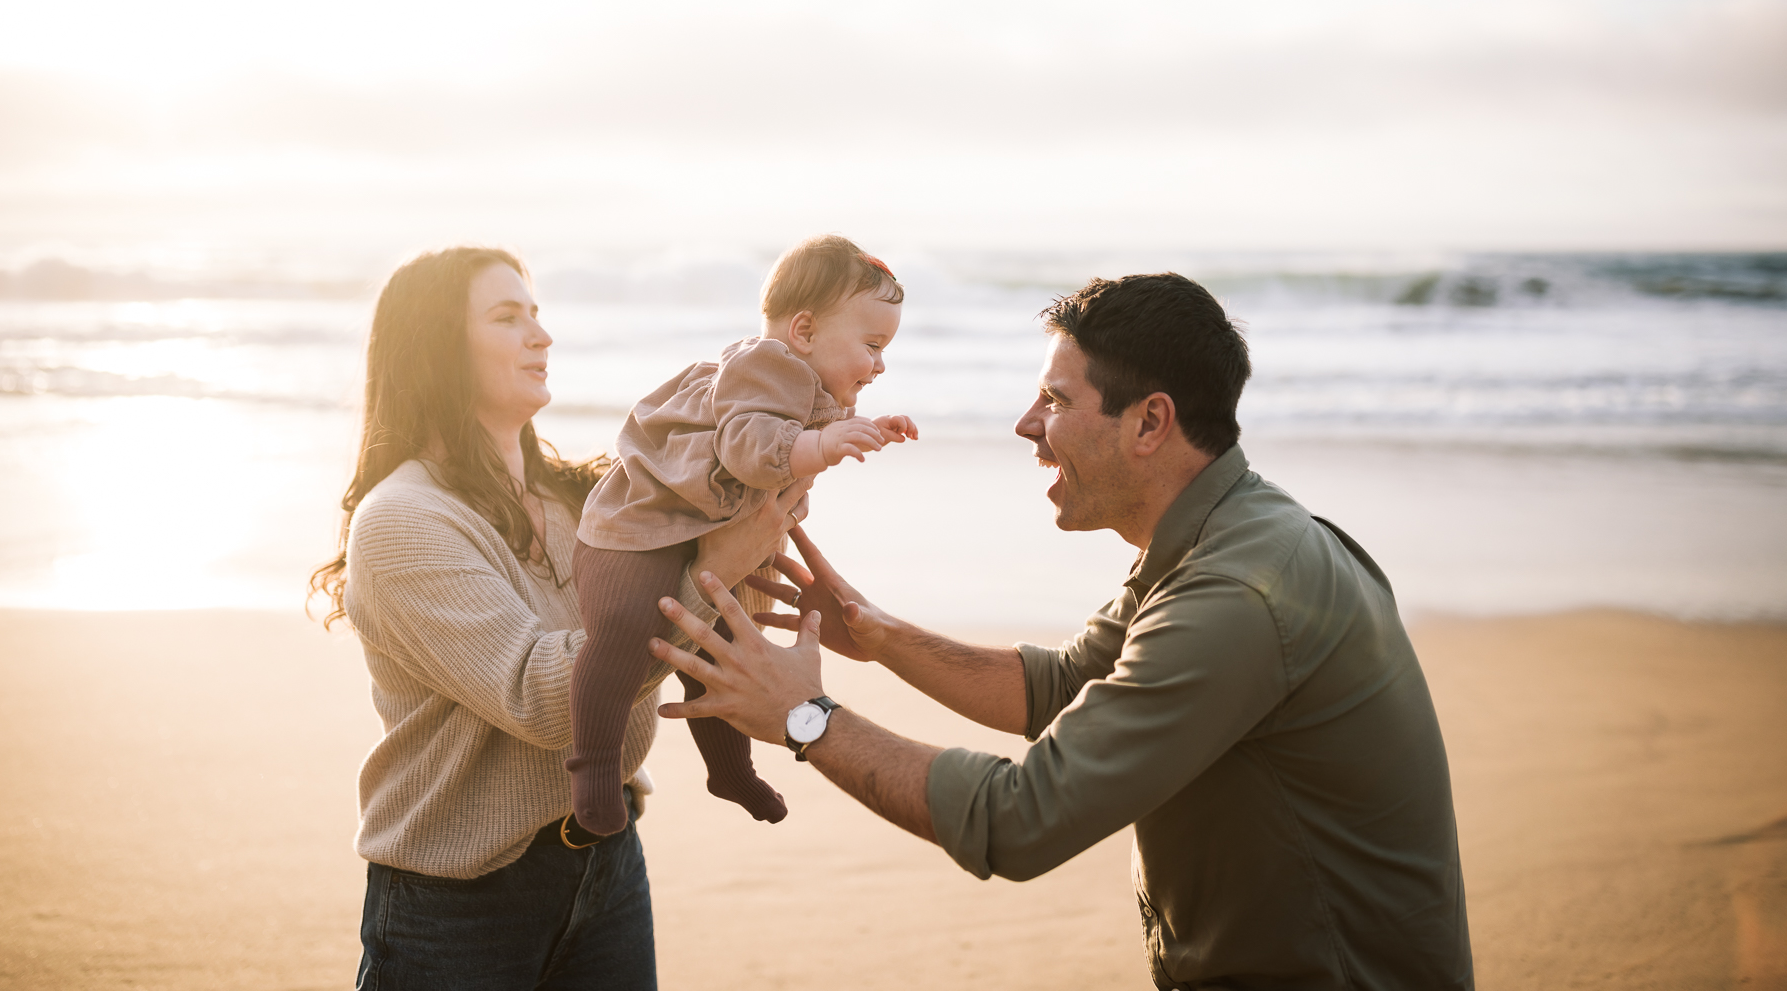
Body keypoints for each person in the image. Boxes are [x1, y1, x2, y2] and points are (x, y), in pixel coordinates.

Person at [650, 272, 1475, 990]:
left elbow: (1020, 819)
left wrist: (804, 719)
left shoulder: (1237, 594)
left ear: (1150, 423)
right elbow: (1063, 686)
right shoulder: (1229, 534)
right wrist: (875, 631)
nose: (1025, 425)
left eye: (1055, 400)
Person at [309, 246, 808, 991]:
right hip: (458, 903)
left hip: (607, 862)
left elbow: (716, 572)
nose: (541, 337)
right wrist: (714, 569)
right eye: (507, 319)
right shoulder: (402, 521)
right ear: (436, 348)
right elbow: (545, 700)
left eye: (537, 315)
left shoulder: (589, 501)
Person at [568, 234, 917, 838]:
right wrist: (822, 446)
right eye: (872, 345)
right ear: (803, 332)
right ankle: (595, 766)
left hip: (692, 533)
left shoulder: (803, 383)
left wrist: (861, 426)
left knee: (727, 652)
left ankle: (729, 770)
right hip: (636, 533)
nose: (880, 364)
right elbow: (750, 450)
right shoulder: (764, 367)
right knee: (623, 634)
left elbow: (810, 424)